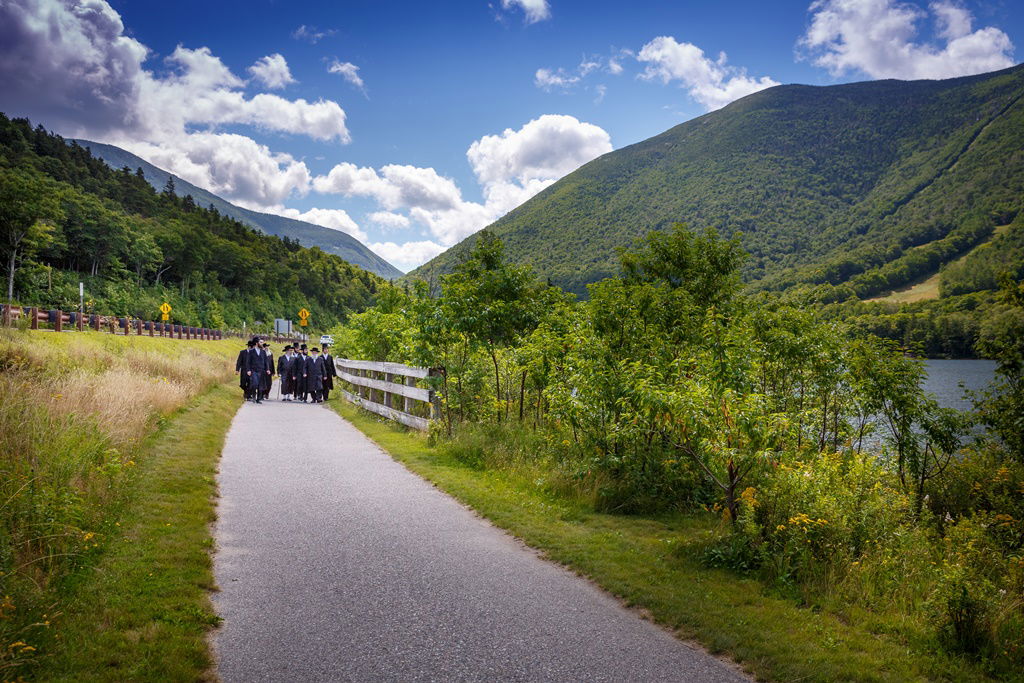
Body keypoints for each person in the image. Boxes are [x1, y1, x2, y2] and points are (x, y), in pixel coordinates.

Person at [246, 337, 264, 403]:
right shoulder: (251, 351)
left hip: (261, 370)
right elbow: (248, 362)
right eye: (260, 342)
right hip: (254, 370)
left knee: (260, 386)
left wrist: (267, 369)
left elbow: (266, 361)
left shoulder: (263, 352)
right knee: (255, 384)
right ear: (257, 343)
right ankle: (254, 395)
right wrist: (248, 370)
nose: (262, 344)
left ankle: (258, 399)